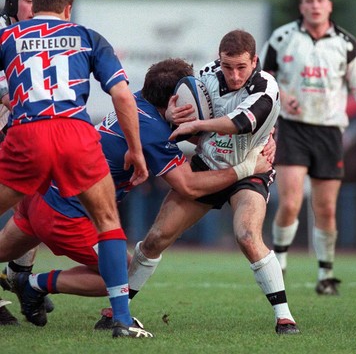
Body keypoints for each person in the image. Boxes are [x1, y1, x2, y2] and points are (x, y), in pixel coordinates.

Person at [0, 58, 271, 328]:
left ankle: (25, 282)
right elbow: (188, 186)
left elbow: (189, 132)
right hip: (68, 212)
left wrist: (261, 136)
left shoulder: (139, 100)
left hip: (43, 194)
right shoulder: (152, 130)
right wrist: (245, 168)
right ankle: (34, 285)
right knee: (124, 274)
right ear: (177, 99)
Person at [112, 29, 300, 335]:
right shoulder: (206, 77)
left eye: (241, 67)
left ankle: (284, 317)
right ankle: (117, 311)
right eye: (227, 67)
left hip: (250, 169)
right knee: (156, 238)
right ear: (219, 59)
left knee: (247, 236)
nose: (234, 75)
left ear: (254, 61)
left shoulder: (267, 86)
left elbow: (241, 123)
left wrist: (199, 123)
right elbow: (179, 113)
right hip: (207, 165)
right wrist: (174, 115)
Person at [0, 0, 152, 339]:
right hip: (74, 133)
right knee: (107, 221)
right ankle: (122, 320)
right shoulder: (87, 37)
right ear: (69, 9)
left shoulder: (7, 37)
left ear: (32, 5)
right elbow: (122, 97)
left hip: (27, 133)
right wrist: (135, 148)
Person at [260, 0, 356, 295]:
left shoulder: (346, 44)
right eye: (309, 0)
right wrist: (282, 96)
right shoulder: (283, 38)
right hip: (293, 128)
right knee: (290, 201)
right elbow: (262, 77)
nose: (315, 5)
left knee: (326, 208)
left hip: (329, 131)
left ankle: (326, 275)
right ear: (302, 6)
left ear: (329, 6)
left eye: (320, 0)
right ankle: (280, 264)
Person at [0, 0, 42, 326]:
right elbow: (8, 93)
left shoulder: (43, 36)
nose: (35, 6)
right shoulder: (2, 33)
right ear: (13, 3)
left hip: (17, 135)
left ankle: (20, 276)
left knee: (36, 204)